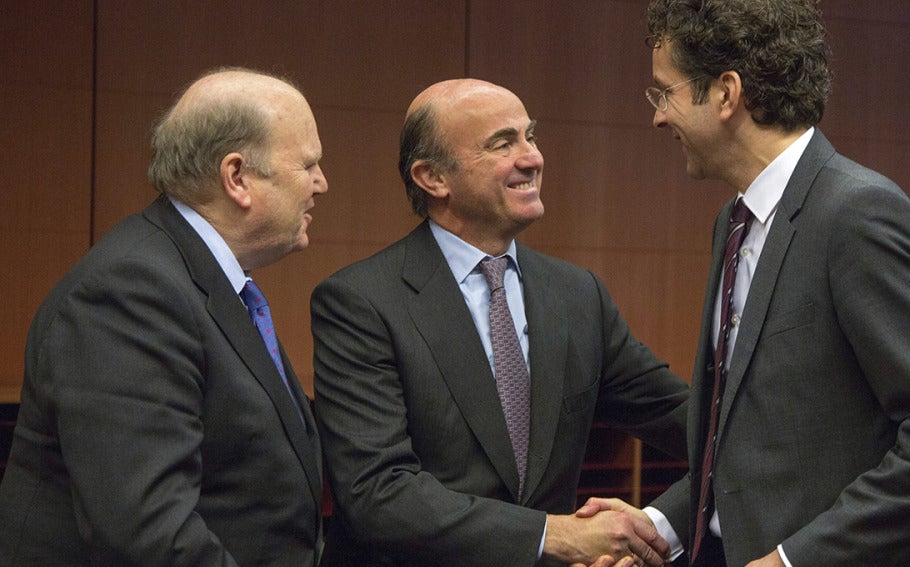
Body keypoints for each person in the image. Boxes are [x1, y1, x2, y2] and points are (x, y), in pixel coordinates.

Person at [581, 1, 910, 565]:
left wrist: (795, 559)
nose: (658, 116)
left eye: (665, 92)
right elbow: (760, 440)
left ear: (726, 94)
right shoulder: (732, 221)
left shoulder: (860, 216)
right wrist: (657, 525)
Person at [310, 78, 689, 567]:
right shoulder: (359, 303)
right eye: (502, 144)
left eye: (530, 136)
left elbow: (692, 423)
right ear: (432, 177)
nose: (532, 158)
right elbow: (378, 496)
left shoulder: (578, 296)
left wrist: (656, 527)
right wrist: (554, 535)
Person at [0, 67, 329, 565]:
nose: (321, 184)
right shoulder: (132, 291)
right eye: (307, 165)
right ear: (236, 177)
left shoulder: (201, 277)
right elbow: (147, 534)